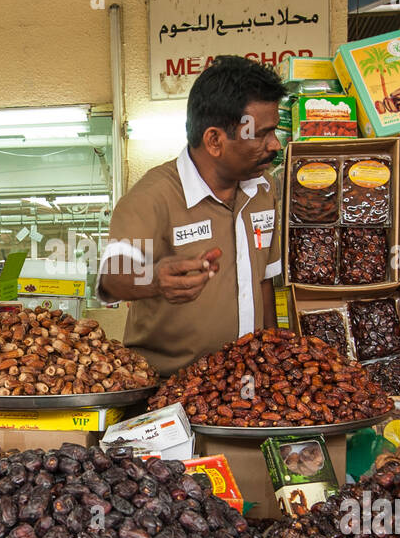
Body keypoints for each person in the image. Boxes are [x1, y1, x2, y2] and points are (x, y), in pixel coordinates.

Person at [98, 55, 284, 376]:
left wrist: (273, 361)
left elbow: (263, 282)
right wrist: (154, 279)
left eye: (274, 131)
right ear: (214, 140)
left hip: (245, 388)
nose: (275, 144)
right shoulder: (152, 197)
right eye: (261, 134)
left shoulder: (264, 191)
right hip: (170, 389)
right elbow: (111, 279)